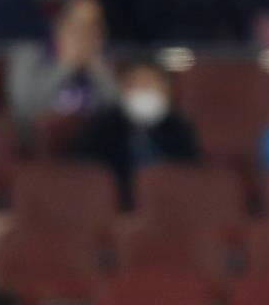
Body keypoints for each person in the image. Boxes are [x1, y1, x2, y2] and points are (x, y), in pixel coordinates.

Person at [67, 59, 201, 206]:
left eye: (150, 84)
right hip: (112, 207)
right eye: (137, 84)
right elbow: (84, 172)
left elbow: (191, 175)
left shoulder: (179, 129)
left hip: (168, 208)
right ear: (124, 89)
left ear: (166, 90)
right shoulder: (101, 126)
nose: (143, 90)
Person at [5, 0, 118, 132]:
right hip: (40, 146)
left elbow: (118, 117)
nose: (84, 34)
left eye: (93, 26)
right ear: (59, 25)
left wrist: (98, 71)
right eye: (77, 25)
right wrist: (64, 67)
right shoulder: (28, 56)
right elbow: (22, 111)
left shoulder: (102, 65)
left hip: (94, 148)